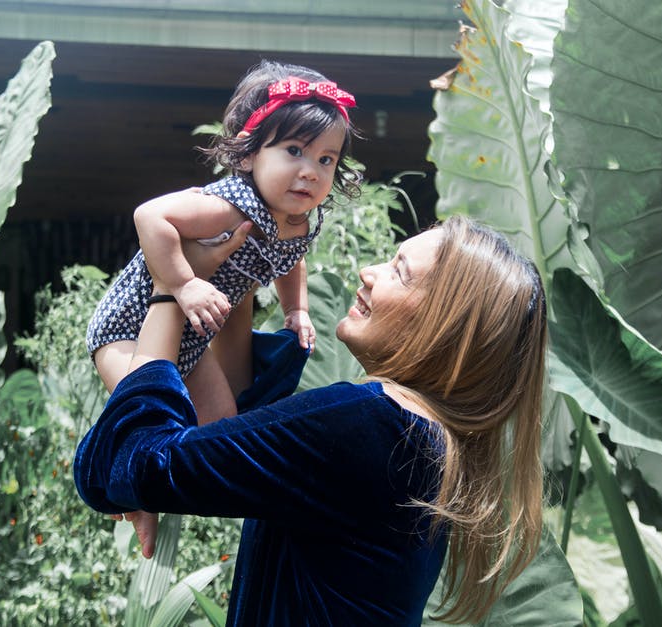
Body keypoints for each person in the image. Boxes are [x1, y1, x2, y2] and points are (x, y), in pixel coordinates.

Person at [75, 215, 549, 625]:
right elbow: (236, 425)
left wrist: (168, 290)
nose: (368, 272)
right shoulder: (422, 444)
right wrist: (236, 272)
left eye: (399, 273)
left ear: (445, 328)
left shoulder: (371, 427)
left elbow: (131, 464)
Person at [85, 60, 361, 557]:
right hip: (128, 327)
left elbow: (290, 260)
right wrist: (185, 284)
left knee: (217, 426)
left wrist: (296, 310)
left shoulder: (301, 218)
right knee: (141, 417)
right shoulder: (234, 204)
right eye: (294, 151)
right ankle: (133, 499)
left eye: (326, 159)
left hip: (195, 340)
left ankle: (167, 496)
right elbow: (150, 217)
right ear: (252, 152)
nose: (310, 171)